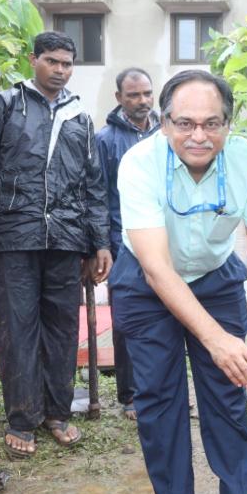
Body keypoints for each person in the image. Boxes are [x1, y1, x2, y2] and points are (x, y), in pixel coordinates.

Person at [111, 69, 247, 494]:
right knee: (157, 394)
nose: (198, 136)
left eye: (212, 124)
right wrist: (217, 341)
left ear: (229, 124)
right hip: (148, 286)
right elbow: (157, 269)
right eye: (185, 123)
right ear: (163, 122)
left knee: (228, 390)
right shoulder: (138, 164)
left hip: (214, 278)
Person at [0, 31, 112, 456]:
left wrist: (100, 242)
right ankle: (22, 418)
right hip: (13, 237)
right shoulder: (3, 107)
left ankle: (58, 413)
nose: (59, 70)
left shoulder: (81, 117)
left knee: (62, 328)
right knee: (17, 328)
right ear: (33, 60)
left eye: (66, 64)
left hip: (66, 239)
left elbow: (93, 185)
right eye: (51, 61)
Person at [95, 67, 160, 422]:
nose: (142, 101)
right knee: (128, 322)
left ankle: (164, 389)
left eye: (147, 93)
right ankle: (130, 396)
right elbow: (99, 196)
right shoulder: (106, 140)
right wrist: (102, 245)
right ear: (119, 98)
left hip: (165, 245)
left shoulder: (168, 134)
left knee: (168, 318)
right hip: (124, 247)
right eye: (133, 95)